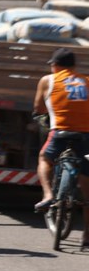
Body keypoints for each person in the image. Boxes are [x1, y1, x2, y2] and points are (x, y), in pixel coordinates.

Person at [32, 48, 89, 248]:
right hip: (86, 136)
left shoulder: (48, 80)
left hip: (61, 132)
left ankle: (48, 194)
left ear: (55, 65)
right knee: (86, 183)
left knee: (44, 158)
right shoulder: (87, 80)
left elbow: (38, 108)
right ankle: (87, 236)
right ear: (74, 66)